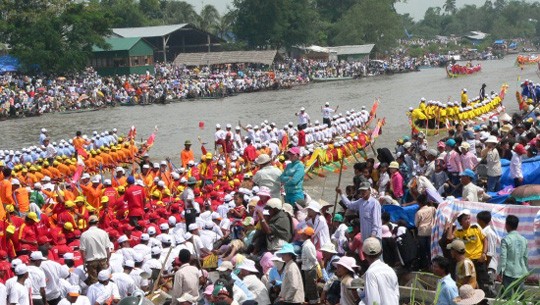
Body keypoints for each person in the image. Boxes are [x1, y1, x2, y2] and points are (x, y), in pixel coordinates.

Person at [360, 237, 399, 305]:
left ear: (363, 254)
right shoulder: (390, 270)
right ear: (381, 252)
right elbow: (396, 295)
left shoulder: (371, 273)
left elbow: (373, 302)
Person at [498, 215, 528, 294]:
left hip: (508, 272)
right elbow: (525, 258)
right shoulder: (524, 240)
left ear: (507, 225)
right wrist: (526, 271)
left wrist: (500, 272)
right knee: (520, 298)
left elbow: (503, 257)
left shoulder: (506, 239)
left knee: (507, 298)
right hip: (521, 272)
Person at [79, 215, 110, 285]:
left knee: (94, 283)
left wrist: (84, 262)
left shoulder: (84, 235)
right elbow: (107, 248)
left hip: (91, 261)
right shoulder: (103, 233)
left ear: (88, 224)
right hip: (102, 260)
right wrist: (108, 260)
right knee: (104, 280)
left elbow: (82, 250)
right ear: (97, 223)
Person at [476, 211, 499, 297]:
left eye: (477, 220)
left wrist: (485, 266)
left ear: (481, 221)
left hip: (489, 266)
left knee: (489, 290)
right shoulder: (483, 232)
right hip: (485, 265)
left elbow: (490, 253)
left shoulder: (488, 233)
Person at [415, 194, 436, 270]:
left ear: (419, 203)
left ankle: (425, 266)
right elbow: (436, 214)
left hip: (422, 233)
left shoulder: (419, 212)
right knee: (430, 250)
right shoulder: (432, 209)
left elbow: (416, 224)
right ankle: (432, 265)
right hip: (431, 231)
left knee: (423, 250)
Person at [298, 227, 319, 304]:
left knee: (311, 287)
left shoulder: (307, 246)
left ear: (306, 235)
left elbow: (312, 258)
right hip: (308, 268)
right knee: (309, 287)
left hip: (310, 268)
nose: (301, 236)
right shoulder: (307, 244)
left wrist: (316, 266)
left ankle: (313, 302)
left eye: (302, 234)